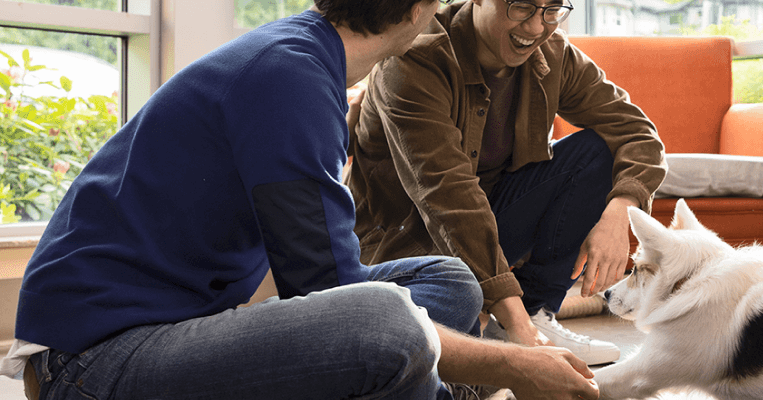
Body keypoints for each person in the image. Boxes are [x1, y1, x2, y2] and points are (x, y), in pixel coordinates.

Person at [1, 0, 599, 399]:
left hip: (174, 324)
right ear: (419, 8)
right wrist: (509, 364)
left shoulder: (303, 60)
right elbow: (331, 295)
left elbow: (301, 284)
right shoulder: (287, 78)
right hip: (87, 363)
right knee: (386, 320)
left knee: (446, 280)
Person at [346, 0, 665, 364]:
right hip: (408, 244)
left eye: (551, 10)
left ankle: (532, 311)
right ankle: (511, 322)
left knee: (596, 152)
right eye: (521, 7)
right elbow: (449, 199)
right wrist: (515, 326)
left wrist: (623, 210)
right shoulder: (415, 57)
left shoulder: (553, 54)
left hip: (486, 224)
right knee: (428, 360)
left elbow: (638, 131)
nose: (535, 27)